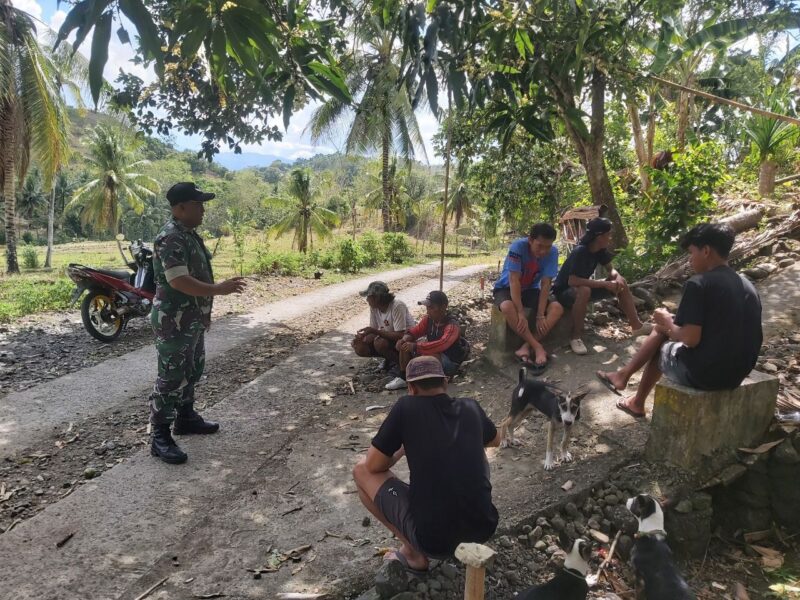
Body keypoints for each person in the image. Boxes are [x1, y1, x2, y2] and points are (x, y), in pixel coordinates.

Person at [596, 222, 762, 418]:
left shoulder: (699, 284)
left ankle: (636, 401)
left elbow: (690, 339)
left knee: (662, 339)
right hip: (738, 373)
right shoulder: (746, 284)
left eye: (692, 253)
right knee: (664, 328)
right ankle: (623, 377)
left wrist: (667, 320)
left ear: (706, 251)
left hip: (708, 375)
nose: (690, 259)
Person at [353, 356, 500, 572]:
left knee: (360, 471)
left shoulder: (406, 407)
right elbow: (495, 440)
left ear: (411, 388)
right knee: (474, 456)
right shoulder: (470, 406)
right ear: (445, 382)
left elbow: (373, 466)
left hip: (435, 542)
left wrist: (402, 449)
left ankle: (413, 553)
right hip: (483, 529)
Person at [149, 182, 247, 464]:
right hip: (174, 320)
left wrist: (204, 313)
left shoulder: (187, 235)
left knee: (191, 370)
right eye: (198, 204)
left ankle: (185, 417)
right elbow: (178, 280)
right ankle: (160, 435)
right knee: (171, 376)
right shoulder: (171, 237)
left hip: (190, 318)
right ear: (180, 208)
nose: (203, 209)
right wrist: (218, 290)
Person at [553, 217, 652, 356]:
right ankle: (575, 337)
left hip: (583, 288)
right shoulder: (580, 251)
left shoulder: (600, 250)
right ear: (599, 236)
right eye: (608, 235)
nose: (610, 238)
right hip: (564, 293)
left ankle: (636, 326)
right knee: (585, 290)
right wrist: (605, 284)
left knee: (621, 281)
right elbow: (573, 281)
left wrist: (616, 277)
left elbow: (611, 269)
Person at [493, 223, 564, 372]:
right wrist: (520, 312)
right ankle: (537, 347)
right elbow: (514, 281)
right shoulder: (517, 247)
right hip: (506, 287)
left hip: (530, 289)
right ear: (530, 240)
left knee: (557, 308)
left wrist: (540, 314)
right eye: (540, 246)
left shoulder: (553, 252)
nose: (543, 251)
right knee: (507, 307)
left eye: (548, 247)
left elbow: (546, 284)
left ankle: (526, 346)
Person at [386, 290, 470, 390]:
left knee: (429, 356)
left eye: (431, 308)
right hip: (435, 355)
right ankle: (403, 377)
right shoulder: (428, 320)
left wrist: (416, 347)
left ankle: (433, 379)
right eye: (427, 308)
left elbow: (442, 344)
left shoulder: (452, 325)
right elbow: (415, 331)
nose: (428, 311)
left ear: (443, 307)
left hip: (450, 361)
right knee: (405, 346)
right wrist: (404, 340)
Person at [352, 281, 415, 375]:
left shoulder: (397, 306)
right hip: (391, 338)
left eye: (368, 297)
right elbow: (373, 330)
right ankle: (390, 360)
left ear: (377, 298)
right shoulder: (374, 308)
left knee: (380, 343)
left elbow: (400, 334)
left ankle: (402, 366)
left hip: (406, 339)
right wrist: (362, 338)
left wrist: (375, 331)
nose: (367, 300)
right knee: (361, 347)